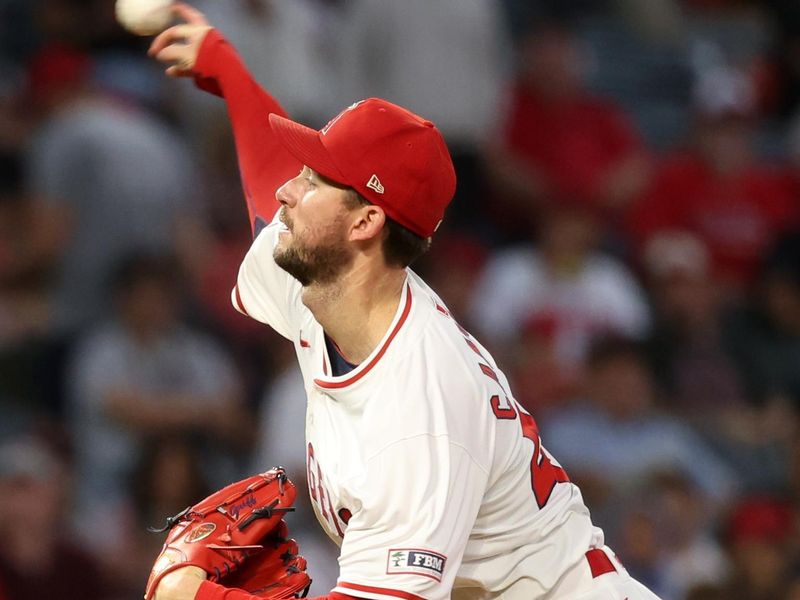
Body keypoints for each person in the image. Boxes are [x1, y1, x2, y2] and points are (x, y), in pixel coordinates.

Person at [146, 4, 663, 599]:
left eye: (314, 181)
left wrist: (197, 595)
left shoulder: (419, 407)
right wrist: (230, 74)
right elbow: (271, 185)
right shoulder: (325, 274)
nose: (293, 189)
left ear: (366, 221)